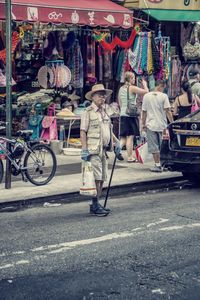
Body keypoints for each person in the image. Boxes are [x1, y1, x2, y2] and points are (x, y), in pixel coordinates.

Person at [80, 84, 121, 216]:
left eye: (103, 95)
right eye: (99, 95)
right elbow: (83, 131)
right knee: (97, 178)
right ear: (93, 97)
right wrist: (84, 149)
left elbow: (108, 129)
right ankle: (95, 205)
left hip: (103, 150)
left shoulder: (105, 111)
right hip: (93, 150)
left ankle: (95, 204)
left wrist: (116, 142)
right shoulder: (88, 112)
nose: (102, 97)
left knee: (102, 178)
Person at [141, 80, 174, 173]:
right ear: (161, 86)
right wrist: (172, 123)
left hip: (150, 125)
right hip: (162, 125)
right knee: (162, 146)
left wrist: (143, 124)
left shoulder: (146, 96)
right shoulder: (164, 96)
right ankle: (163, 164)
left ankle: (158, 165)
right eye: (164, 87)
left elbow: (144, 112)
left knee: (154, 146)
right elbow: (168, 111)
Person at [118, 71, 149, 162]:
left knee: (124, 136)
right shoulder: (132, 88)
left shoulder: (121, 89)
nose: (134, 80)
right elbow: (146, 92)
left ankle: (118, 148)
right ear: (130, 79)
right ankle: (130, 157)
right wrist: (144, 84)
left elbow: (120, 102)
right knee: (130, 136)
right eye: (133, 78)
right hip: (130, 114)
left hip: (123, 113)